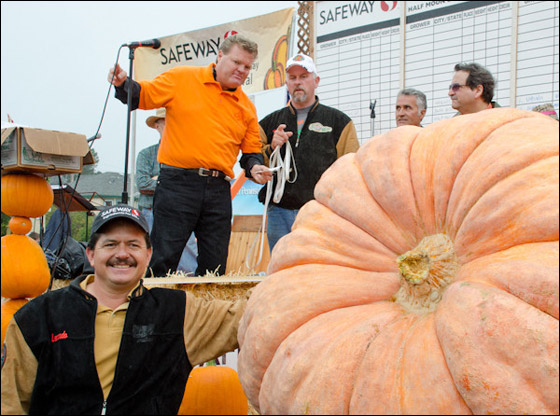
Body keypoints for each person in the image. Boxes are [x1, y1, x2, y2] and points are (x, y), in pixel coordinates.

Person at [1, 204, 250, 414]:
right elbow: (10, 402)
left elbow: (251, 314)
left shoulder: (178, 312)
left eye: (133, 245)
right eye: (110, 244)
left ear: (148, 254)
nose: (122, 254)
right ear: (90, 254)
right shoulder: (39, 317)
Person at [107, 34, 271, 277]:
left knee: (215, 266)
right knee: (163, 259)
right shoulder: (182, 78)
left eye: (247, 66)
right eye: (237, 62)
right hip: (177, 185)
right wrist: (123, 84)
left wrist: (255, 167)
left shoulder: (246, 106)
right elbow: (143, 95)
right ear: (220, 56)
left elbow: (250, 153)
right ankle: (154, 313)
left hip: (218, 189)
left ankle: (206, 314)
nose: (241, 70)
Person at [257, 53, 360, 251]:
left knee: (319, 270)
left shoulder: (339, 122)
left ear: (316, 81)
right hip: (279, 211)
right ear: (286, 83)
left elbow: (352, 167)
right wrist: (271, 148)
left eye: (304, 77)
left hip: (321, 213)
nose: (298, 82)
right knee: (282, 270)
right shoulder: (269, 122)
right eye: (293, 78)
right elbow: (253, 162)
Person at [137, 108, 198, 275]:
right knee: (151, 257)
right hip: (151, 213)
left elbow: (192, 183)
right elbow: (142, 184)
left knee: (188, 262)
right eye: (167, 123)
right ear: (157, 126)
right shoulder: (146, 154)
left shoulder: (189, 154)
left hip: (181, 213)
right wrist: (173, 185)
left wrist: (160, 181)